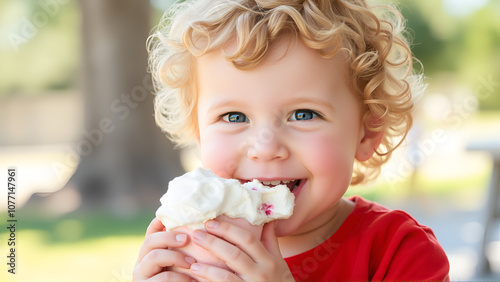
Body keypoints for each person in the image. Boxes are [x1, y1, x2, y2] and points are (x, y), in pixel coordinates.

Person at [134, 0, 450, 280]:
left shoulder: (401, 253)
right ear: (198, 133)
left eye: (302, 114)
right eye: (234, 117)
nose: (266, 147)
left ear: (366, 132)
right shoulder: (190, 255)